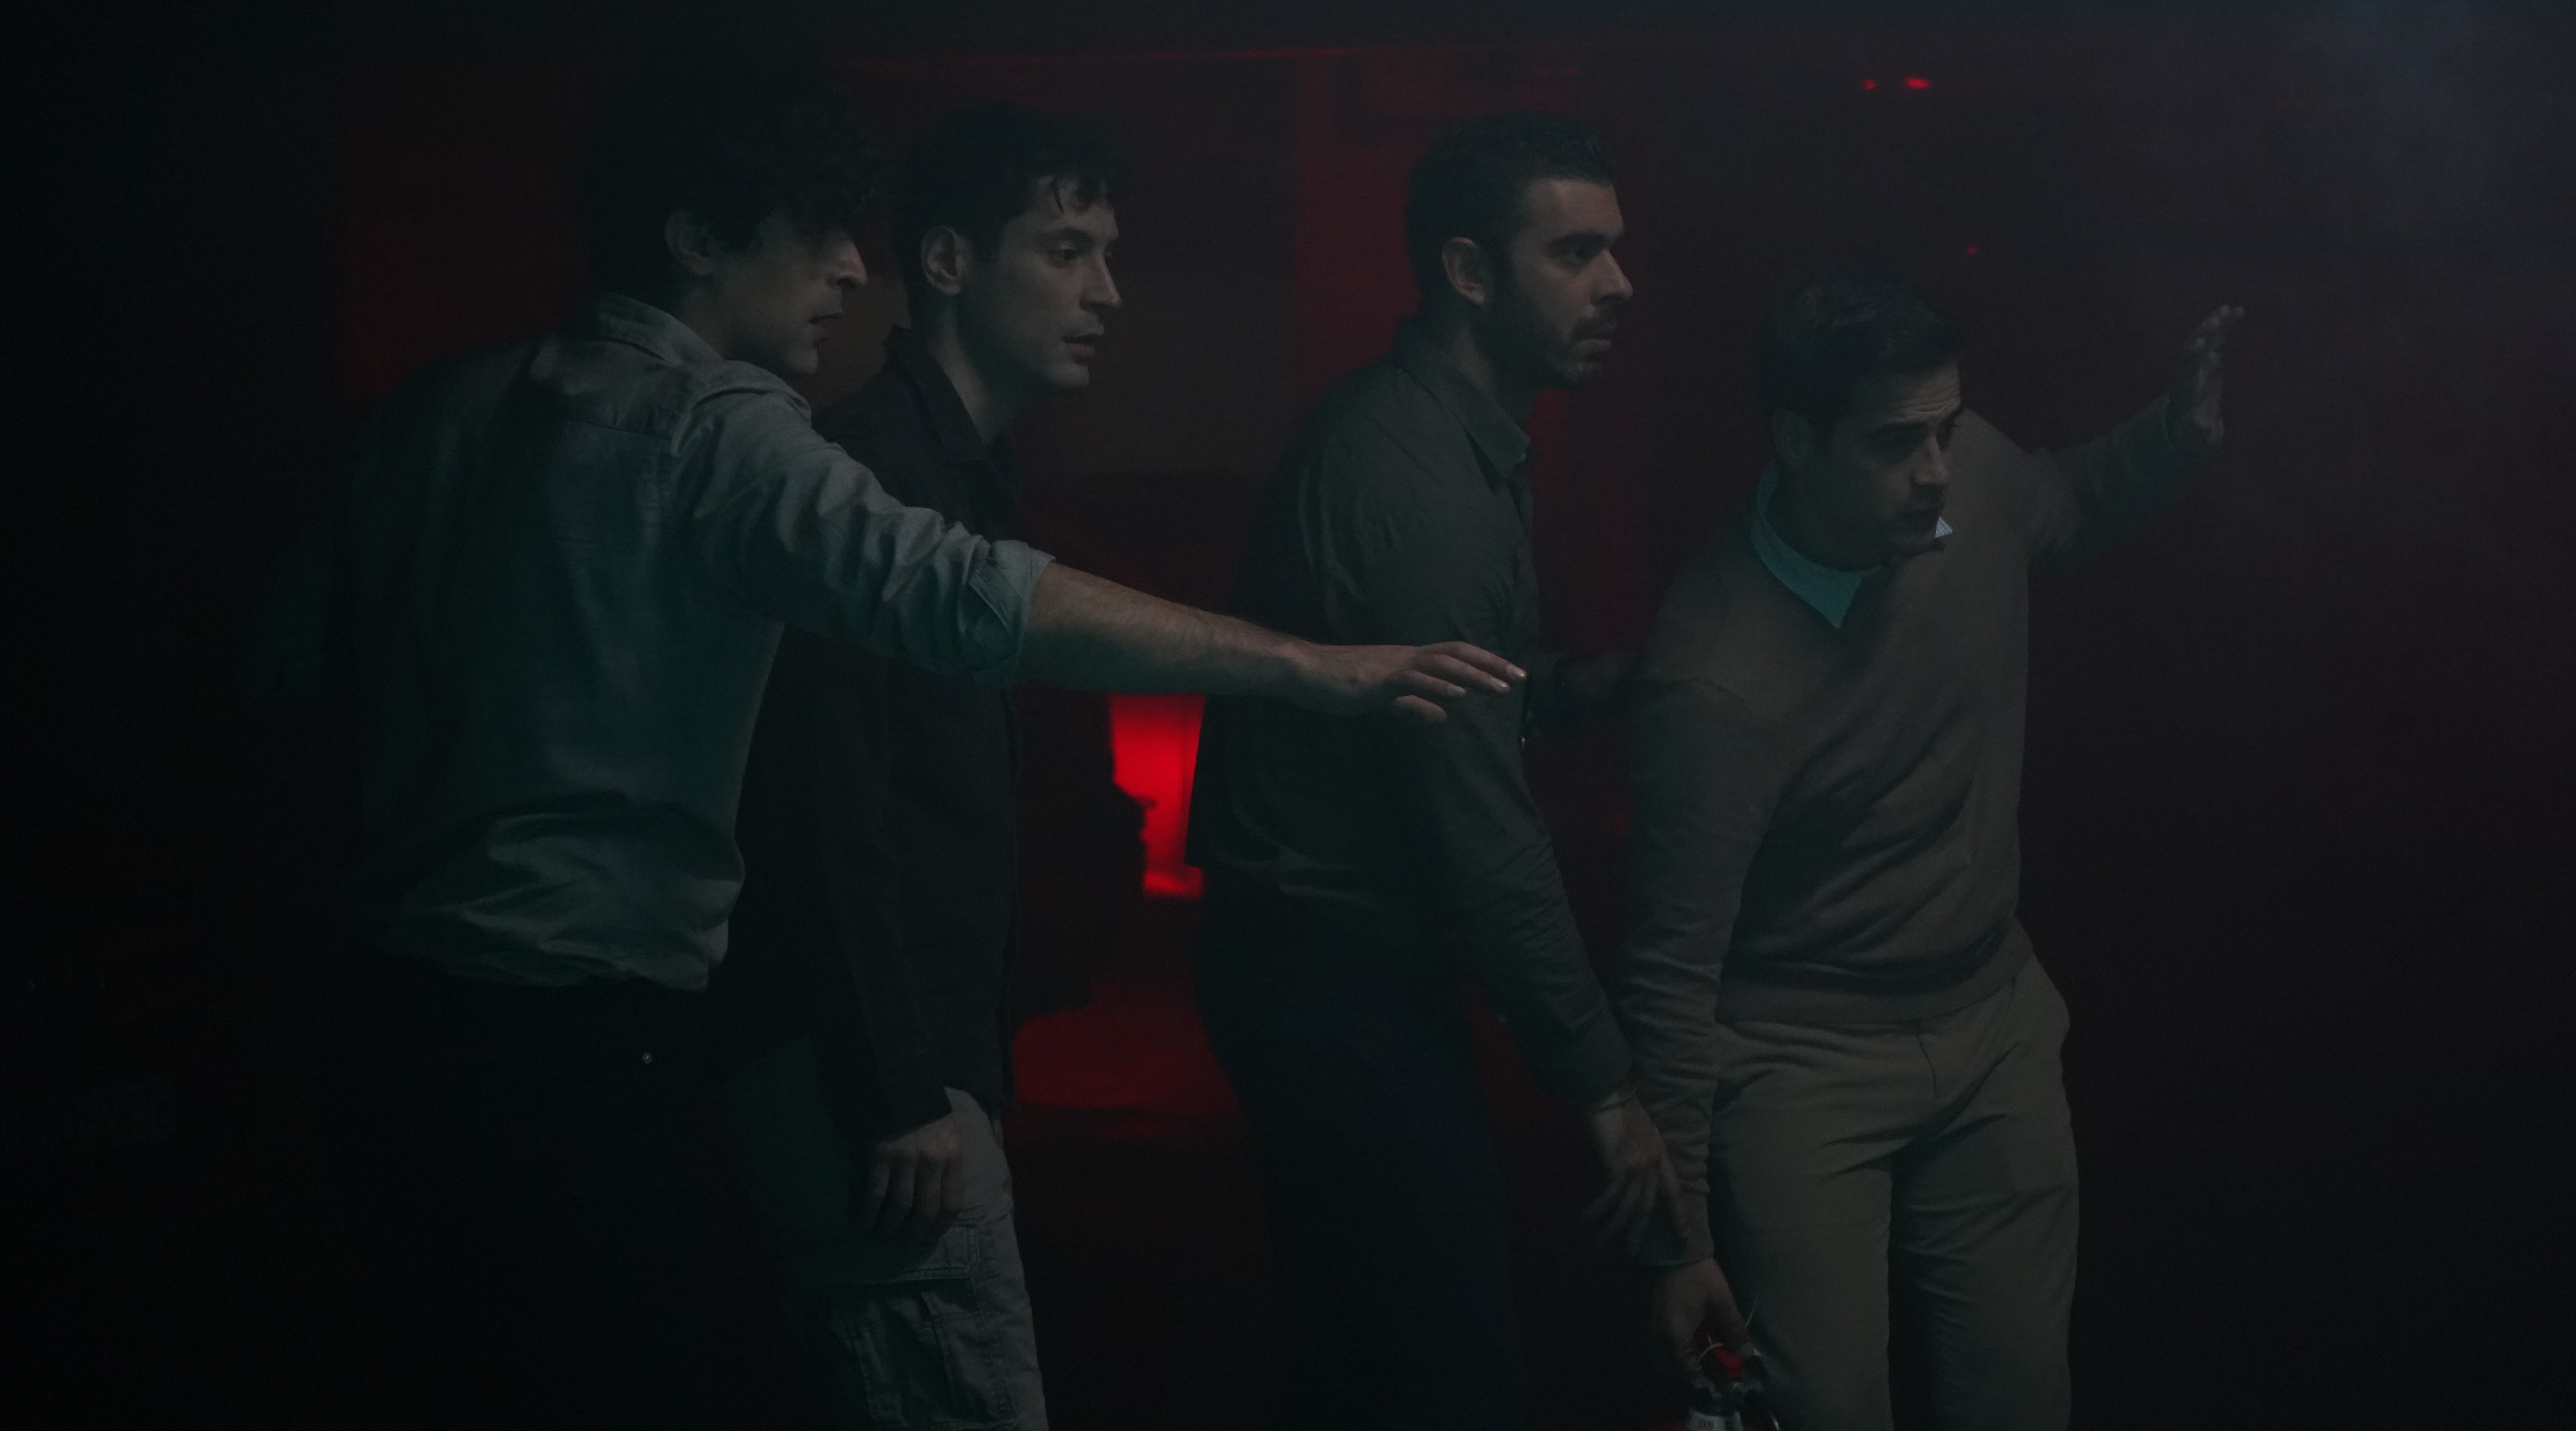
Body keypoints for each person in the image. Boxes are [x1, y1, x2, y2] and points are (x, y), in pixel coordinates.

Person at [253, 64, 1519, 1429]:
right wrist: (1307, 665)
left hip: (384, 1038)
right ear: (695, 239)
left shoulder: (434, 412)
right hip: (588, 1051)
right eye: (814, 230)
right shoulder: (722, 431)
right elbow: (965, 599)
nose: (853, 268)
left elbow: (282, 675)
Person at [1619, 266, 2240, 1429]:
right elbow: (1669, 973)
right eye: (1897, 442)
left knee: (2022, 1400)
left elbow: (2064, 499)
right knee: (1828, 1409)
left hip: (1991, 1022)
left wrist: (2173, 435)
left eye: (1947, 429)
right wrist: (1679, 1244)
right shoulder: (1713, 676)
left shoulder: (1971, 482)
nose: (1939, 470)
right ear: (1796, 441)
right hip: (1800, 1062)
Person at [1185, 111, 1679, 1431]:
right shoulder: (1415, 483)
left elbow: (1471, 695)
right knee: (1441, 1372)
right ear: (1469, 271)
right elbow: (1483, 831)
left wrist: (1597, 684)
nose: (1619, 284)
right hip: (1332, 973)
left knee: (1378, 1356)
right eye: (1574, 253)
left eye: (1616, 249)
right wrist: (1605, 1087)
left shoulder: (1454, 439)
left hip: (1337, 966)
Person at [706, 103, 1134, 1430]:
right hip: (871, 1081)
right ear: (948, 262)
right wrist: (894, 1089)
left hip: (915, 1066)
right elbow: (816, 809)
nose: (1107, 292)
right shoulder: (871, 479)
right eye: (1066, 250)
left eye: (1109, 254)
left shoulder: (964, 474)